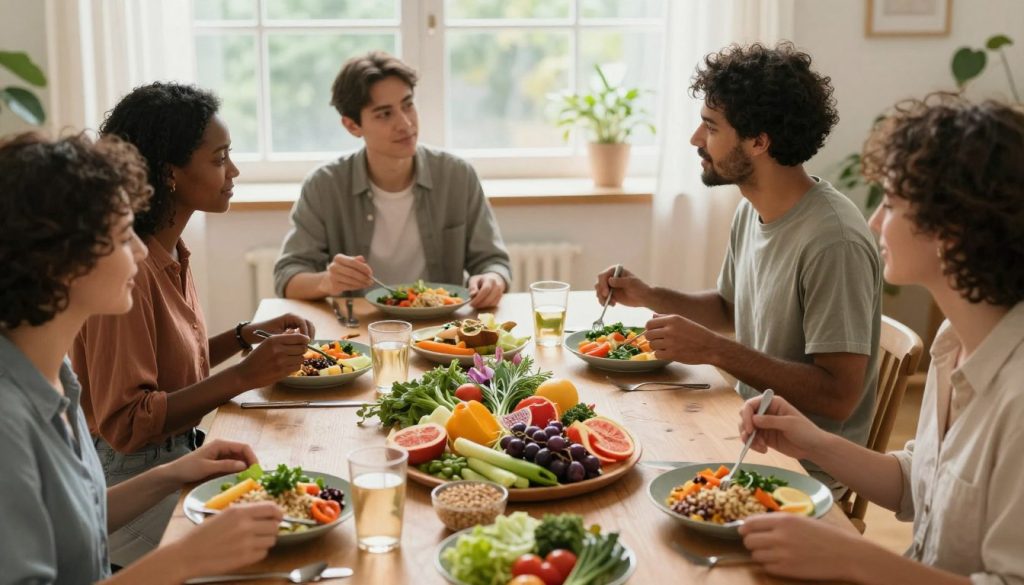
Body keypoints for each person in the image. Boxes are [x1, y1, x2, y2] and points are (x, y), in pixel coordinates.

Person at [735, 95, 1024, 583]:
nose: (873, 223)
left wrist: (850, 557)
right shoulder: (956, 343)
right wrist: (814, 441)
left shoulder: (1016, 395)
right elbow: (918, 484)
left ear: (951, 228)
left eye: (890, 203)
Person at [595, 43, 882, 491]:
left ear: (759, 141)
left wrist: (714, 351)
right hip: (748, 432)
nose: (696, 139)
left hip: (806, 472)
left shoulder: (833, 240)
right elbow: (729, 309)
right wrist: (648, 294)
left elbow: (838, 397)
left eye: (710, 127)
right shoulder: (753, 209)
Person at [0, 132, 284, 584]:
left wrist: (174, 473)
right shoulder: (9, 421)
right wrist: (182, 559)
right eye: (120, 233)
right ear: (56, 260)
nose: (137, 249)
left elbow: (81, 515)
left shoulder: (54, 377)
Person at [70, 82, 314, 565]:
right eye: (220, 158)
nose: (234, 171)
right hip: (130, 482)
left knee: (304, 492)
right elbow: (128, 424)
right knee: (276, 546)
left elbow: (176, 366)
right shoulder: (128, 272)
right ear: (171, 174)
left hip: (177, 454)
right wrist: (245, 375)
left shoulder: (171, 250)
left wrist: (245, 336)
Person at [274, 51, 511, 308]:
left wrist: (492, 279)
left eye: (408, 104)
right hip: (359, 331)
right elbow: (287, 276)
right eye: (385, 114)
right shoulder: (324, 185)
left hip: (442, 328)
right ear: (352, 126)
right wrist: (327, 282)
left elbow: (492, 261)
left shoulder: (457, 175)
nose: (405, 123)